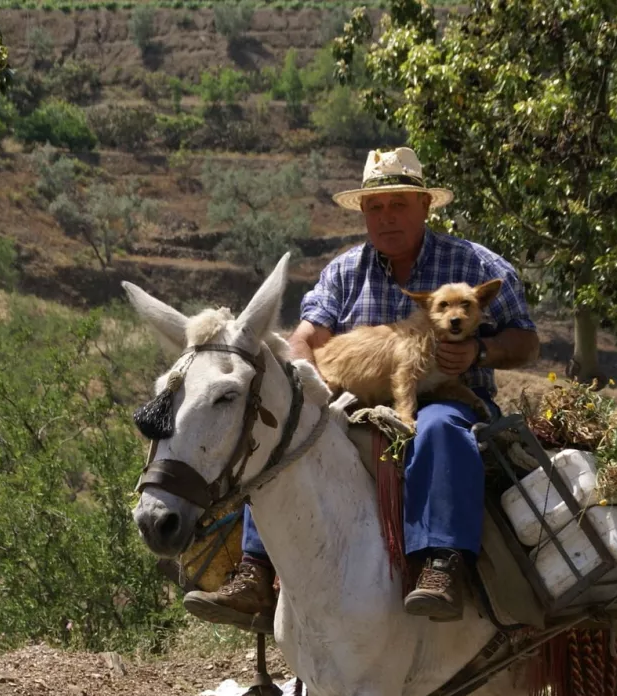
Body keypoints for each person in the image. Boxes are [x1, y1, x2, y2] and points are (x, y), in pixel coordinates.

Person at [185, 147, 540, 627]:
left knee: (437, 429)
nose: (386, 217)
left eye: (398, 205)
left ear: (424, 208)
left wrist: (481, 352)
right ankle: (254, 572)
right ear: (364, 215)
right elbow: (305, 339)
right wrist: (310, 390)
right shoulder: (344, 271)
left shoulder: (475, 265)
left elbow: (526, 342)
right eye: (375, 207)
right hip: (354, 404)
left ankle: (440, 566)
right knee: (276, 435)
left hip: (447, 401)